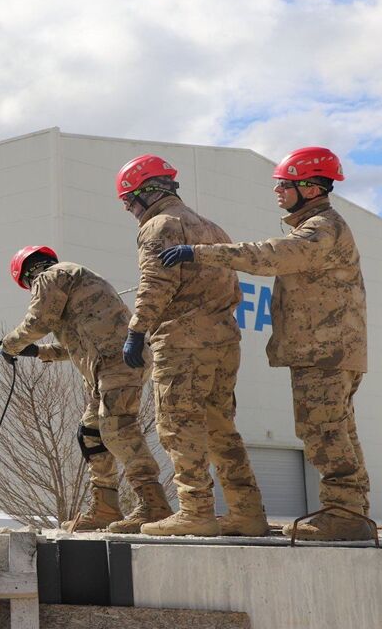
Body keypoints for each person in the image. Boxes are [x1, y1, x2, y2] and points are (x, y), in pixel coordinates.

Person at [159, 147, 370, 541]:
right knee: (336, 431)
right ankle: (348, 512)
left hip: (325, 351)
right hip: (330, 350)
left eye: (283, 185)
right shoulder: (321, 225)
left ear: (309, 187)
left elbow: (270, 256)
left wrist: (199, 253)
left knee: (323, 432)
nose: (277, 191)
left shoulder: (321, 228)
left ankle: (345, 516)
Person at [116, 155, 267, 537]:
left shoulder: (159, 226)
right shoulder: (214, 229)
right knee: (221, 428)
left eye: (128, 201)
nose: (130, 210)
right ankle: (247, 513)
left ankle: (196, 511)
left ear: (147, 193)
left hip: (183, 342)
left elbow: (155, 282)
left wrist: (137, 331)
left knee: (178, 426)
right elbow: (233, 287)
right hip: (224, 341)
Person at [2, 246, 172, 533]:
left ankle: (153, 503)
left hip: (116, 362)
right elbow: (79, 343)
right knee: (91, 432)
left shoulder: (50, 277)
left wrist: (11, 344)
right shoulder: (72, 278)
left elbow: (38, 321)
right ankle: (105, 508)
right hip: (113, 362)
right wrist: (41, 353)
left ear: (27, 276)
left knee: (118, 429)